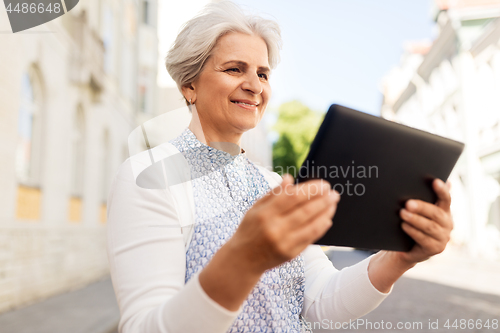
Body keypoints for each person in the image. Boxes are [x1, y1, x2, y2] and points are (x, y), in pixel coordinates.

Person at [106, 2, 454, 332]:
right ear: (189, 85)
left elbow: (320, 300)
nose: (255, 86)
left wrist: (401, 257)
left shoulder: (273, 184)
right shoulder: (150, 176)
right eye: (234, 69)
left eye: (263, 73)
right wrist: (245, 257)